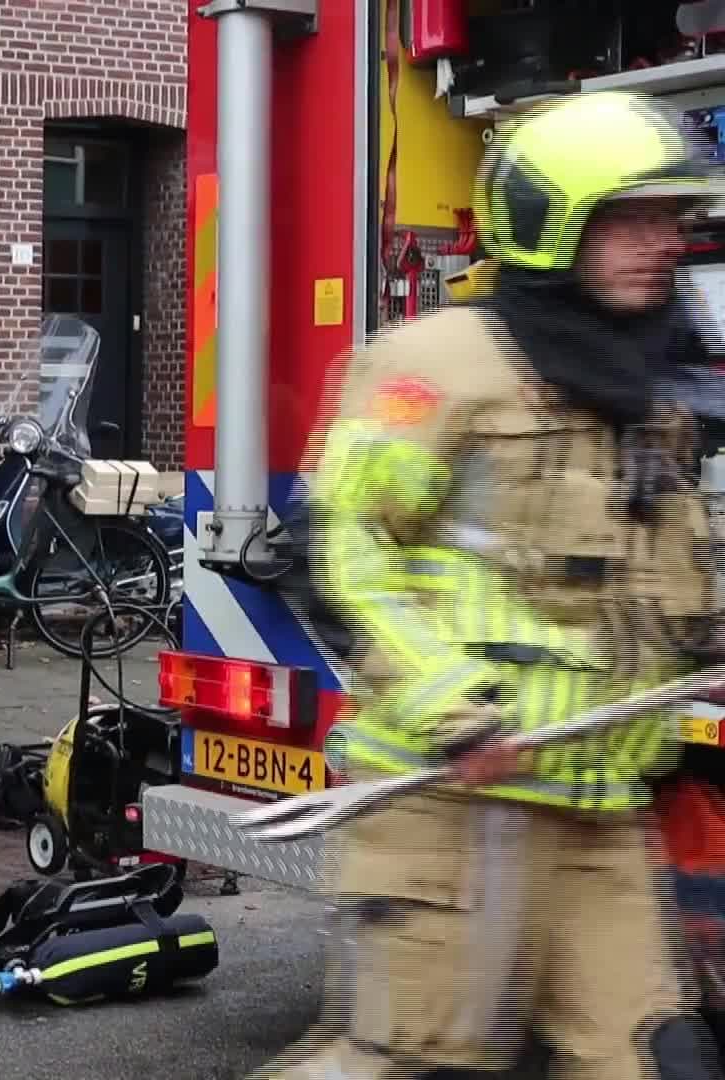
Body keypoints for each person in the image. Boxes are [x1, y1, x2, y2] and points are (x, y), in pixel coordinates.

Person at [256, 89, 725, 1080]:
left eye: (669, 221)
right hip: (453, 812)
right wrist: (452, 710)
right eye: (629, 220)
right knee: (404, 1067)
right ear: (551, 221)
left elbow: (669, 574)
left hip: (599, 811)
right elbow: (342, 557)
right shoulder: (435, 366)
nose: (661, 245)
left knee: (659, 1062)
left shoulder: (652, 390)